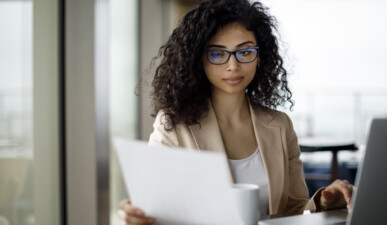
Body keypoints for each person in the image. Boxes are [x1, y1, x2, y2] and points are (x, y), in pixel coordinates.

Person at [118, 0, 353, 224]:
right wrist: (138, 217)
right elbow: (158, 210)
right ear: (199, 59)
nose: (233, 65)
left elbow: (294, 210)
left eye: (245, 51)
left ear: (260, 56)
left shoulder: (280, 125)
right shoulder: (173, 125)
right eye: (218, 54)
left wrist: (324, 200)